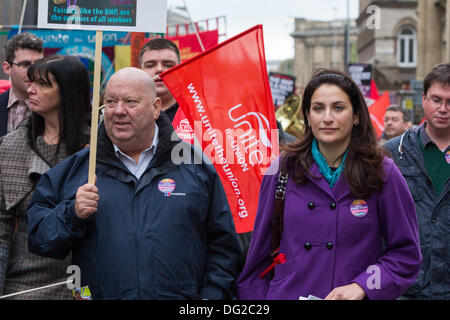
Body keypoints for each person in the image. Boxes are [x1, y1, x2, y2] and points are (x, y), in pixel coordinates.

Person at [26, 67, 241, 300]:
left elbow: (224, 248)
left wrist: (211, 297)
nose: (119, 111)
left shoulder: (196, 168)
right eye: (110, 102)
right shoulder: (76, 171)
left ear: (156, 108)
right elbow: (39, 240)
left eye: (130, 102)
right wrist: (72, 213)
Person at [236, 69, 422, 300]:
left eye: (338, 108)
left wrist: (363, 286)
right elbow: (256, 262)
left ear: (355, 116)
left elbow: (405, 254)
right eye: (318, 108)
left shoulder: (382, 172)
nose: (327, 118)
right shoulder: (282, 169)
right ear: (307, 115)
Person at [0, 55, 91, 299]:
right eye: (31, 82)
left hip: (87, 282)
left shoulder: (99, 146)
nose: (30, 90)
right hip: (26, 283)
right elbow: (1, 229)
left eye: (43, 84)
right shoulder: (8, 148)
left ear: (69, 91)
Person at [384, 63, 450, 300]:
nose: (443, 108)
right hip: (407, 288)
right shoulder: (393, 152)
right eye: (436, 99)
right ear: (423, 99)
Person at [0, 32, 44, 137]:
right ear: (7, 68)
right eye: (25, 64)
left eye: (39, 64)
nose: (34, 71)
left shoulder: (55, 110)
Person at [140, 38, 181, 121]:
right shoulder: (126, 112)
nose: (159, 69)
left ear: (180, 70)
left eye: (168, 65)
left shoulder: (198, 111)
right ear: (140, 71)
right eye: (150, 65)